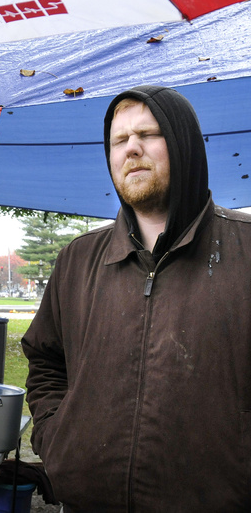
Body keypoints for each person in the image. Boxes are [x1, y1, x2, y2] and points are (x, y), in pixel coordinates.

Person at [21, 85, 251, 512]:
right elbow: (45, 360)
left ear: (183, 144)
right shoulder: (77, 260)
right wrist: (57, 439)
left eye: (148, 134)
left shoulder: (245, 251)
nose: (132, 149)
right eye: (119, 140)